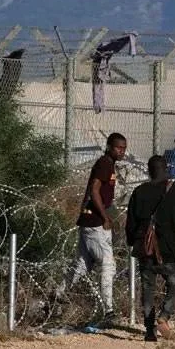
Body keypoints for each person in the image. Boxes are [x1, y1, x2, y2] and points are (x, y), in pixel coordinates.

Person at [55, 133, 127, 324]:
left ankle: (57, 295)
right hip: (95, 222)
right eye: (118, 147)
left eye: (124, 148)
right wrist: (104, 217)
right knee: (108, 264)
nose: (121, 151)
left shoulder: (109, 164)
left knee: (82, 264)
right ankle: (108, 310)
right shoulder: (104, 164)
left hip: (89, 221)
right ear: (109, 146)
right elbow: (94, 190)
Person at [125, 155, 175, 341]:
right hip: (169, 249)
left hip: (146, 250)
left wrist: (133, 243)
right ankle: (164, 316)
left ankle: (149, 330)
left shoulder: (139, 191)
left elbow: (131, 223)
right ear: (166, 169)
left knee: (148, 289)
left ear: (149, 170)